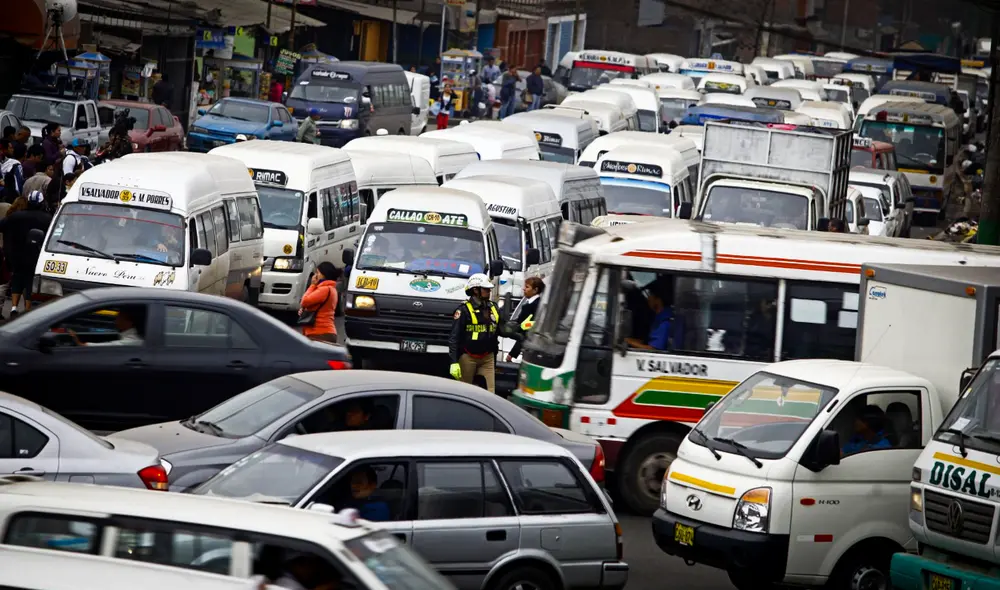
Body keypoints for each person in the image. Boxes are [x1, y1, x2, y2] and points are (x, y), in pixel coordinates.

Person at [0, 190, 51, 318]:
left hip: (15, 255)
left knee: (17, 278)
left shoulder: (15, 216)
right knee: (30, 282)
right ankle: (27, 310)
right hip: (35, 256)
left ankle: (13, 307)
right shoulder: (47, 218)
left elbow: (2, 226)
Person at [449, 273, 500, 393]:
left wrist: (518, 328)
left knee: (490, 394)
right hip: (468, 357)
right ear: (475, 290)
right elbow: (454, 337)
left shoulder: (493, 308)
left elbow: (502, 328)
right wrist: (454, 362)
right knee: (463, 393)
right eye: (486, 289)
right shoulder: (463, 310)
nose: (489, 291)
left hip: (488, 357)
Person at [626, 279, 676, 350]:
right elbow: (646, 342)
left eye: (650, 295)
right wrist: (627, 341)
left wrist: (628, 342)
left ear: (658, 300)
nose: (648, 299)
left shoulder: (665, 323)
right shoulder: (657, 318)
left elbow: (652, 349)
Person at [298, 261, 339, 342]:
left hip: (320, 333)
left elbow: (305, 301)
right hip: (323, 333)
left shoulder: (324, 289)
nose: (315, 276)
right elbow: (315, 306)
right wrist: (304, 310)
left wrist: (312, 285)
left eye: (318, 273)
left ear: (324, 275)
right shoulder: (330, 289)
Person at [505, 276, 544, 362]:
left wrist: (512, 353)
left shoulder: (534, 306)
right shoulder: (530, 304)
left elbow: (526, 333)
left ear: (535, 290)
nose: (523, 289)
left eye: (527, 287)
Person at [68, 309, 143, 346]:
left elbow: (109, 346)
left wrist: (79, 343)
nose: (116, 320)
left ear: (129, 322)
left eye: (119, 318)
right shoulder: (128, 336)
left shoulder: (132, 341)